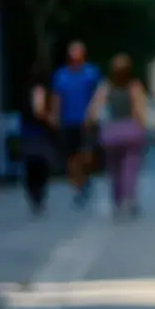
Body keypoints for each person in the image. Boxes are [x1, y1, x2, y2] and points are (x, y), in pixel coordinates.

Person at [86, 54, 149, 218]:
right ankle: (130, 198)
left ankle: (117, 200)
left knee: (114, 169)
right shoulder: (134, 86)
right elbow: (140, 110)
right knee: (131, 167)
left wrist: (91, 123)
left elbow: (94, 110)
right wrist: (143, 127)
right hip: (131, 131)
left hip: (112, 133)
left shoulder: (106, 87)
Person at [50, 41, 100, 208]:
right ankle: (79, 186)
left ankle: (86, 177)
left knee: (87, 154)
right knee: (72, 157)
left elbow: (98, 95)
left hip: (87, 121)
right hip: (68, 120)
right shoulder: (61, 75)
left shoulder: (91, 73)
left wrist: (94, 113)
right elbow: (57, 97)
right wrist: (55, 115)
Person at [19, 65, 57, 215]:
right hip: (38, 133)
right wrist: (51, 121)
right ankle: (38, 195)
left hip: (27, 131)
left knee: (31, 166)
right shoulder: (39, 90)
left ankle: (34, 195)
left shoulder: (25, 91)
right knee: (41, 165)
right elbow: (39, 111)